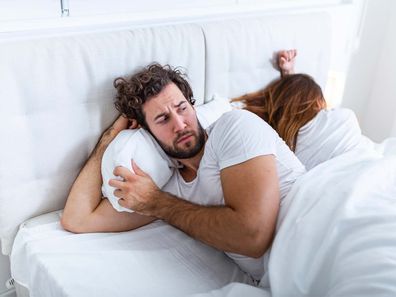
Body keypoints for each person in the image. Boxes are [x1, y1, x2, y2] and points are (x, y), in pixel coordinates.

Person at [61, 63, 306, 281]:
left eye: (182, 108)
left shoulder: (235, 128)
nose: (180, 124)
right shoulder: (167, 188)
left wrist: (156, 203)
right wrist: (109, 138)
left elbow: (252, 238)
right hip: (294, 278)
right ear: (145, 131)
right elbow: (77, 218)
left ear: (192, 104)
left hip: (317, 229)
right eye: (162, 119)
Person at [232, 50, 363, 170]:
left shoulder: (286, 149)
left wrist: (290, 78)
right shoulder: (345, 117)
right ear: (318, 102)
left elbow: (294, 106)